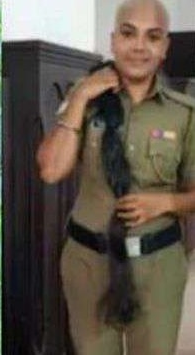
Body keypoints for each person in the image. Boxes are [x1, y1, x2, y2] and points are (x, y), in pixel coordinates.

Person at [36, 0, 195, 353]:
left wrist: (165, 203)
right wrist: (78, 98)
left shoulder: (184, 114)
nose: (139, 46)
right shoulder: (86, 100)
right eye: (128, 33)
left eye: (152, 37)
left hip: (157, 266)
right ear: (113, 40)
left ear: (165, 47)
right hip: (89, 263)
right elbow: (50, 170)